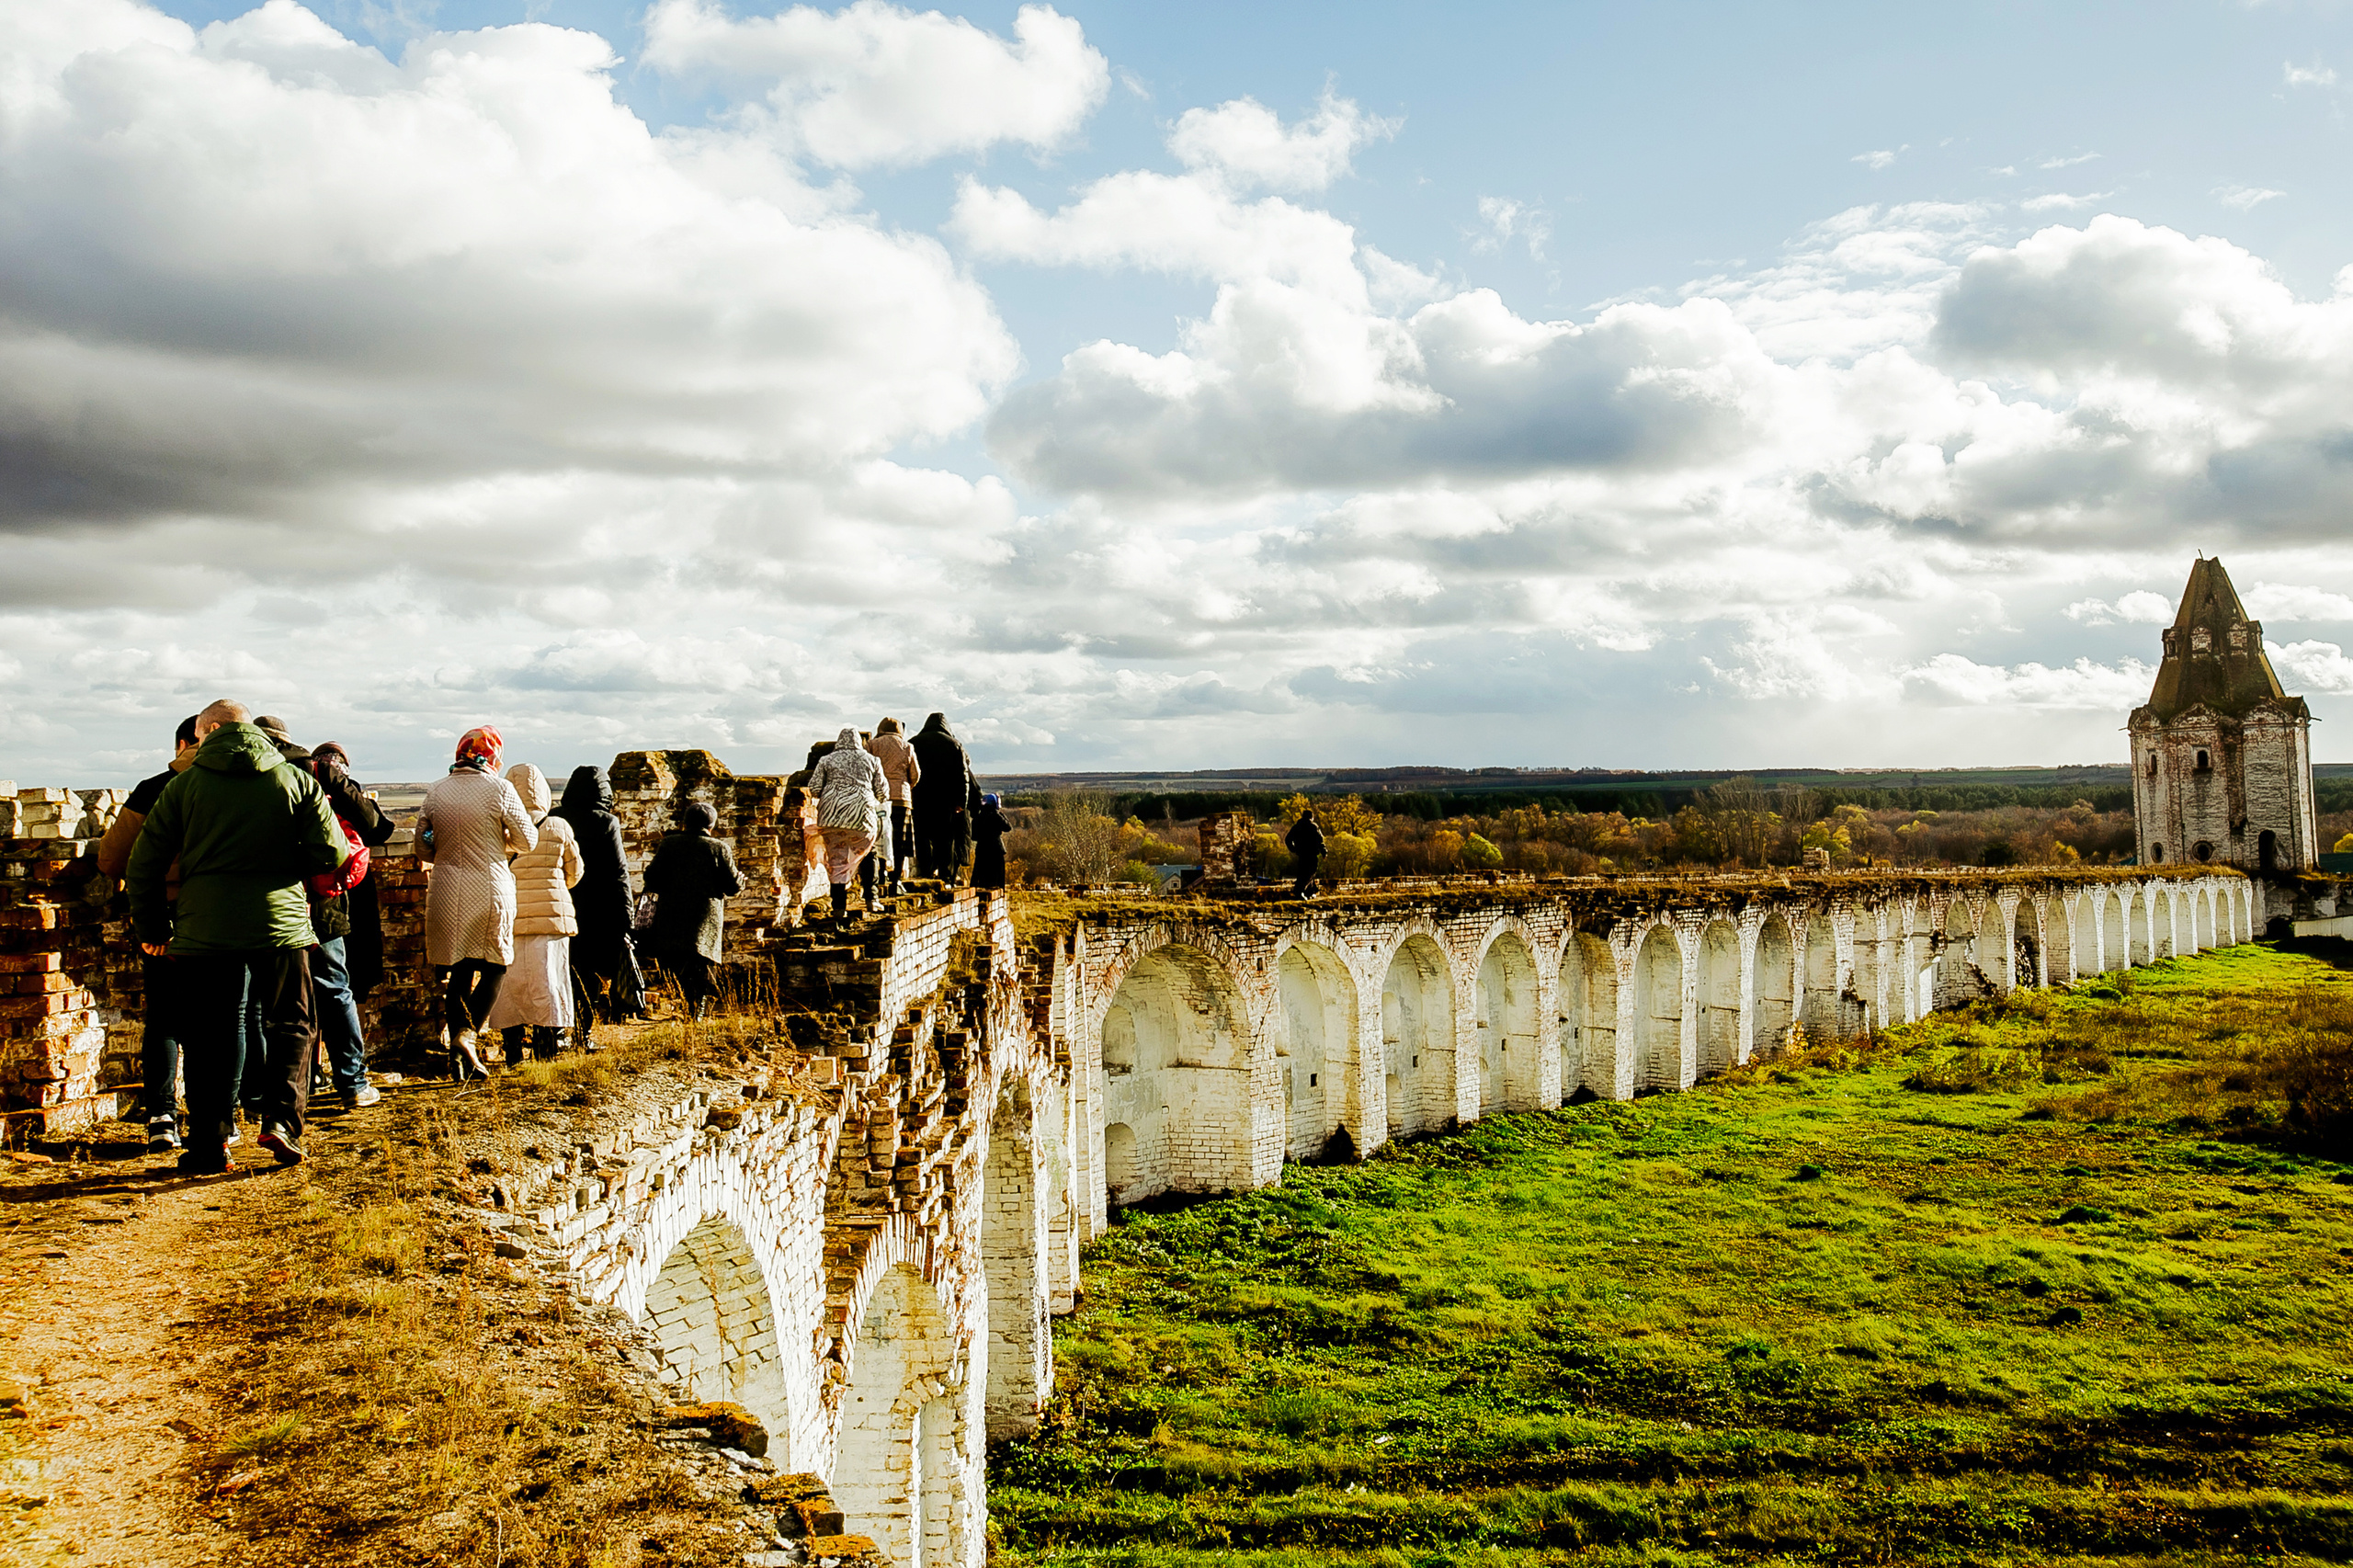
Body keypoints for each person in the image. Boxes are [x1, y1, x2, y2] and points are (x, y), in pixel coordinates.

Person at [125, 699, 347, 1173]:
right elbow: (333, 853)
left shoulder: (184, 786)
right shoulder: (294, 780)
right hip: (281, 925)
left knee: (210, 1034)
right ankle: (281, 1121)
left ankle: (210, 1142)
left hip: (205, 928)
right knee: (291, 1023)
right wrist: (285, 872)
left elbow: (141, 863)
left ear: (206, 734)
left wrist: (153, 928)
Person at [256, 719, 393, 1112]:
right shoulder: (319, 772)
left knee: (267, 1000)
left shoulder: (250, 774)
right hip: (322, 899)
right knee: (334, 988)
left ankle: (272, 1092)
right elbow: (376, 827)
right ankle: (352, 1082)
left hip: (270, 899)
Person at [97, 713, 201, 1151]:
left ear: (182, 744)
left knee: (164, 1017)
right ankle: (219, 1115)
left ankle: (162, 1114)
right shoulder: (248, 788)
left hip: (164, 915)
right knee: (223, 1017)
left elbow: (111, 860)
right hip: (223, 915)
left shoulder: (153, 788)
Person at [415, 726, 536, 1078]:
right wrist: (501, 842)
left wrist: (444, 845)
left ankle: (457, 1058)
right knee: (496, 964)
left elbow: (423, 844)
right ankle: (468, 1035)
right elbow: (527, 839)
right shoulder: (499, 788)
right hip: (489, 885)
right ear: (493, 754)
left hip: (446, 887)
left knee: (460, 969)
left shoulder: (436, 791)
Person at [484, 764, 584, 1061]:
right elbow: (575, 872)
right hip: (552, 918)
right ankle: (546, 1048)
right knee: (549, 982)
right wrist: (556, 887)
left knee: (511, 987)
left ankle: (513, 1048)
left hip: (511, 918)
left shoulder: (503, 831)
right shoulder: (560, 827)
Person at [552, 765, 645, 1028]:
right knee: (591, 969)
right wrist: (627, 915)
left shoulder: (555, 817)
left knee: (568, 965)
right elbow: (618, 871)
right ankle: (585, 1029)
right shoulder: (606, 821)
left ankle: (562, 1024)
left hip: (564, 900)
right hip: (600, 906)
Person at [643, 801, 743, 1019]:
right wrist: (740, 880)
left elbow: (652, 879)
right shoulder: (718, 848)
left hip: (672, 914)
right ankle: (698, 1009)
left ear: (685, 823)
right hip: (705, 918)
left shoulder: (669, 845)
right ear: (711, 825)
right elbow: (732, 886)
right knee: (702, 965)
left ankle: (688, 1006)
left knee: (677, 964)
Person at [909, 712, 977, 885]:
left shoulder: (913, 743)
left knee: (922, 836)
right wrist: (961, 802)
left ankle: (925, 873)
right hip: (945, 801)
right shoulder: (954, 744)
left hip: (919, 798)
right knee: (945, 838)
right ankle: (945, 876)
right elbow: (963, 776)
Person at [867, 717, 921, 893]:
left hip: (878, 799)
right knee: (899, 841)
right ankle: (895, 879)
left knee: (879, 838)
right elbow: (915, 774)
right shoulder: (907, 746)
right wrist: (906, 786)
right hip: (901, 799)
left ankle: (880, 874)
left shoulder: (872, 745)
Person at [972, 792, 1012, 890]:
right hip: (996, 849)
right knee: (997, 879)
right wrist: (1000, 814)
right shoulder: (996, 816)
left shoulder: (977, 818)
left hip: (982, 849)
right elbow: (1008, 827)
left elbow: (974, 837)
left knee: (980, 877)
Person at [1287, 807, 1326, 899]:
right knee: (1310, 872)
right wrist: (1324, 852)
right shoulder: (1313, 827)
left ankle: (1309, 892)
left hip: (1301, 854)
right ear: (1311, 817)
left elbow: (1288, 839)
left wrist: (1294, 849)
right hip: (1312, 853)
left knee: (1303, 872)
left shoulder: (1297, 827)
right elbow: (1320, 840)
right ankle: (1299, 891)